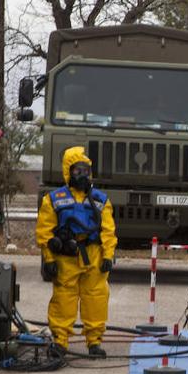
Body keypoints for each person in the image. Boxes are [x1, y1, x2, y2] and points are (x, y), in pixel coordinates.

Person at [35, 146, 117, 358]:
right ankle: (60, 342)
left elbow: (108, 230)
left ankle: (94, 342)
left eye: (86, 171)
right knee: (63, 299)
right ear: (67, 172)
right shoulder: (54, 199)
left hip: (94, 255)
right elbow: (45, 231)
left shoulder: (100, 199)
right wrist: (50, 258)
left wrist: (108, 255)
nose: (82, 175)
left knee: (96, 299)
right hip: (66, 257)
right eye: (77, 171)